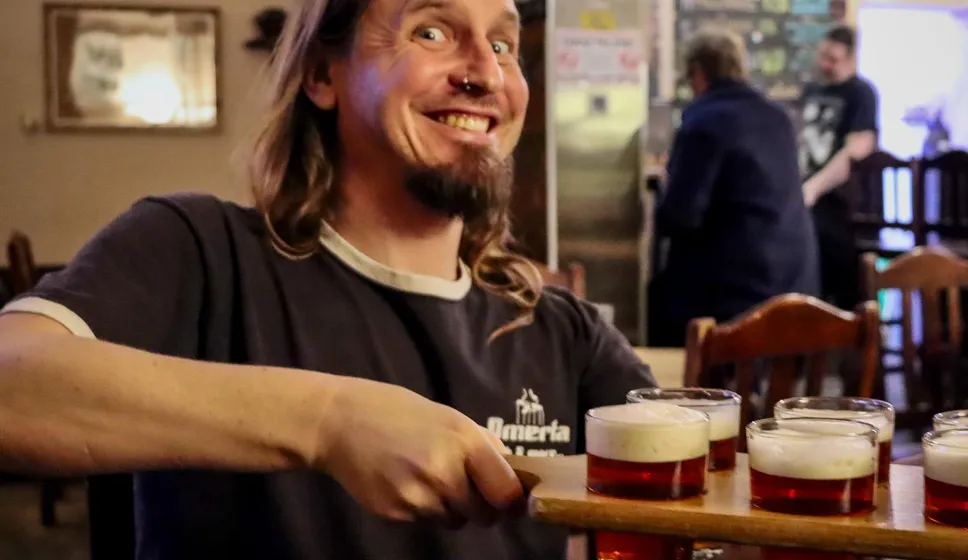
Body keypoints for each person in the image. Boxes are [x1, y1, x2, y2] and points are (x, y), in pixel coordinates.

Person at [0, 0, 655, 558]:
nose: (487, 73)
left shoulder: (563, 331)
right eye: (431, 30)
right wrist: (330, 423)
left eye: (504, 44)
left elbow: (699, 488)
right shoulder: (200, 251)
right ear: (321, 73)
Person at [651, 29, 819, 347]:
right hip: (797, 287)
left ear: (698, 74)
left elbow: (680, 217)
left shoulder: (704, 122)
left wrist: (663, 189)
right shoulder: (779, 117)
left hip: (736, 301)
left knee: (663, 294)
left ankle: (678, 386)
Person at [798, 25, 878, 310]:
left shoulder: (861, 94)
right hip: (807, 201)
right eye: (822, 56)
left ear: (851, 58)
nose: (824, 65)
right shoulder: (811, 90)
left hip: (842, 205)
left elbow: (855, 150)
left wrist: (813, 188)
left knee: (841, 289)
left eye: (833, 59)